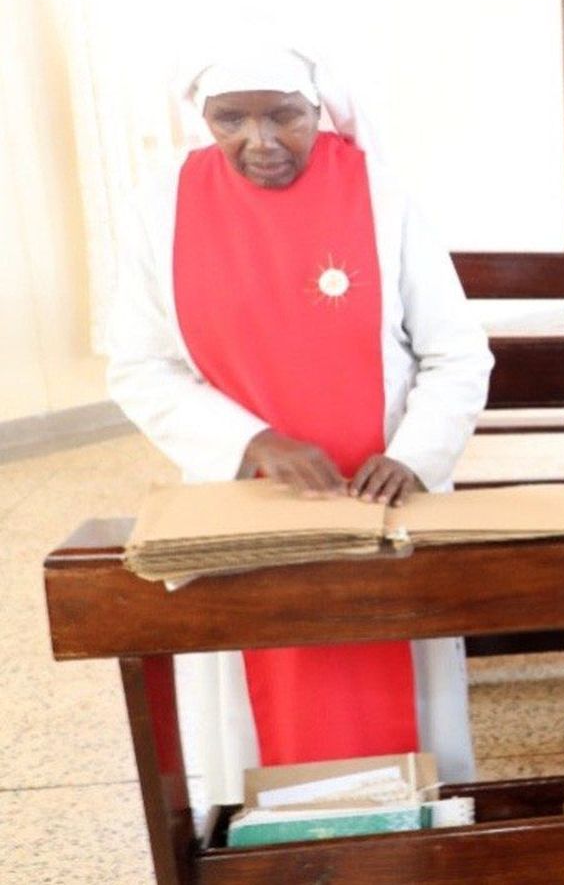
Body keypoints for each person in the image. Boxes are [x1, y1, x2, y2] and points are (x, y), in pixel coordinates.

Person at [107, 43, 493, 807]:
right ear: (202, 119)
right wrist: (249, 441)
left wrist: (413, 454)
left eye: (283, 114)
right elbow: (139, 365)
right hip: (246, 515)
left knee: (401, 707)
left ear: (319, 107)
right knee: (265, 712)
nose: (261, 140)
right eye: (231, 118)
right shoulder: (162, 205)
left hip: (386, 507)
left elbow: (457, 352)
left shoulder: (380, 193)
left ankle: (417, 835)